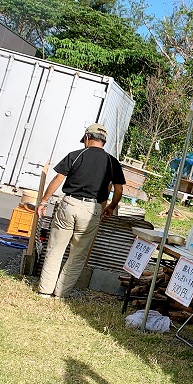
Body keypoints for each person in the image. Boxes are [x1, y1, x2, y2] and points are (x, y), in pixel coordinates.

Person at [37, 123, 125, 298]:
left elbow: (58, 179)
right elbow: (119, 190)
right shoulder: (112, 162)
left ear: (87, 138)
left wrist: (44, 201)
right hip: (92, 209)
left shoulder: (75, 156)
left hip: (69, 204)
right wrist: (111, 207)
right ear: (104, 142)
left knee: (55, 249)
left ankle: (44, 291)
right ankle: (61, 293)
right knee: (77, 255)